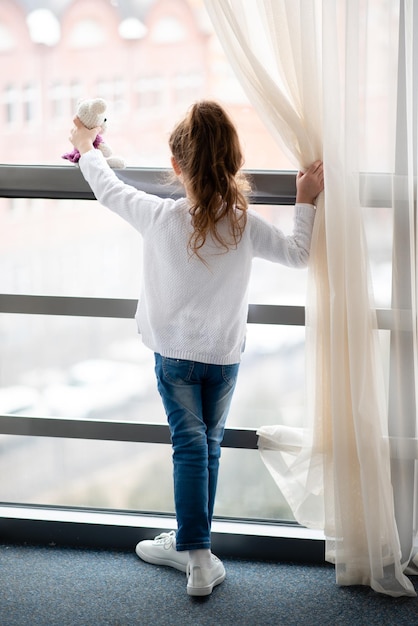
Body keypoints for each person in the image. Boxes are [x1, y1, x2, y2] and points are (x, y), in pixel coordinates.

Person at [69, 100, 324, 597]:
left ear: (175, 166)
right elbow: (299, 254)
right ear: (233, 164)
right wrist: (306, 199)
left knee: (189, 449)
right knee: (206, 449)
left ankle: (197, 554)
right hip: (223, 359)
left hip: (174, 358)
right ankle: (194, 549)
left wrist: (86, 148)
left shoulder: (158, 215)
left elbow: (107, 190)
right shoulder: (243, 223)